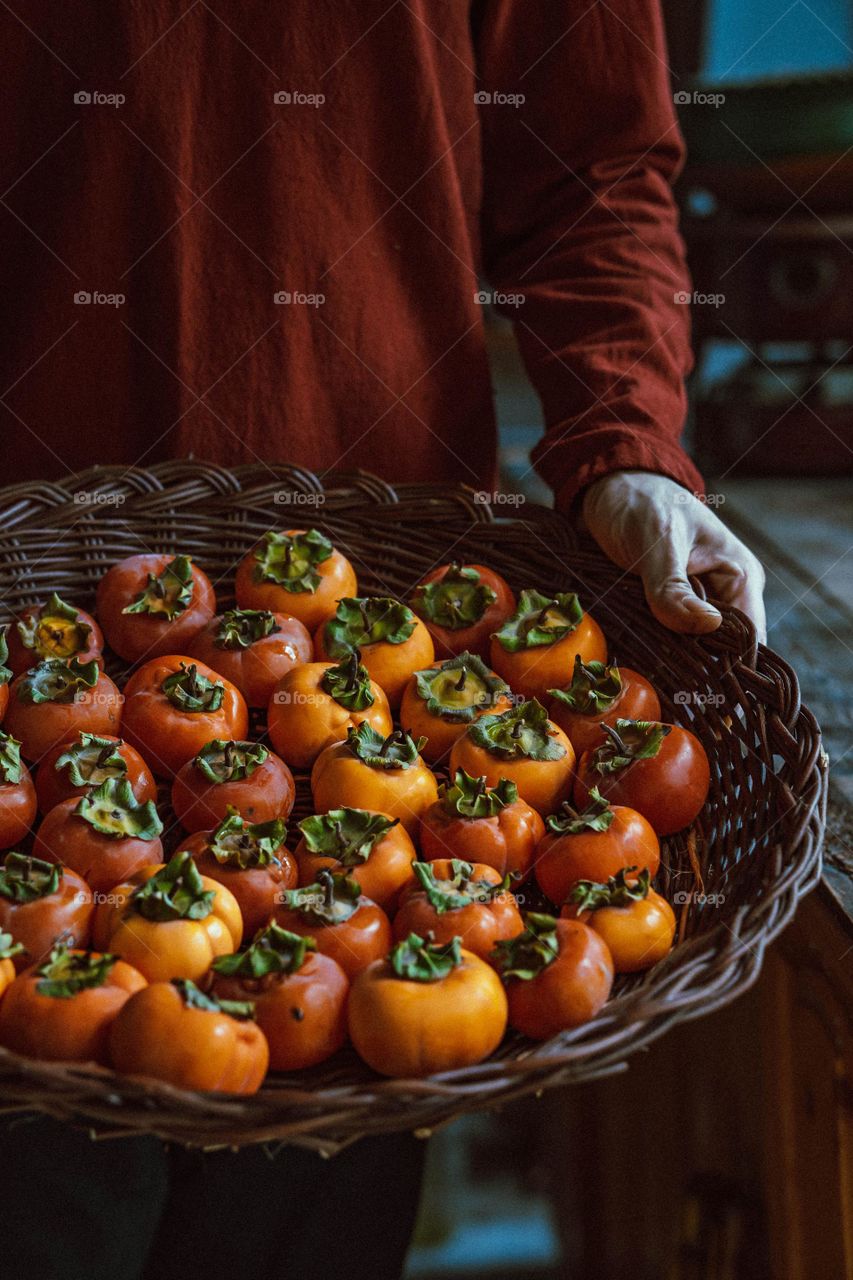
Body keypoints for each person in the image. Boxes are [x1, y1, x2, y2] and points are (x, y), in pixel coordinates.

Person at [0, 3, 766, 1279]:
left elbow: (589, 168)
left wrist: (626, 444)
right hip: (27, 612)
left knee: (300, 1226)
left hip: (392, 666)